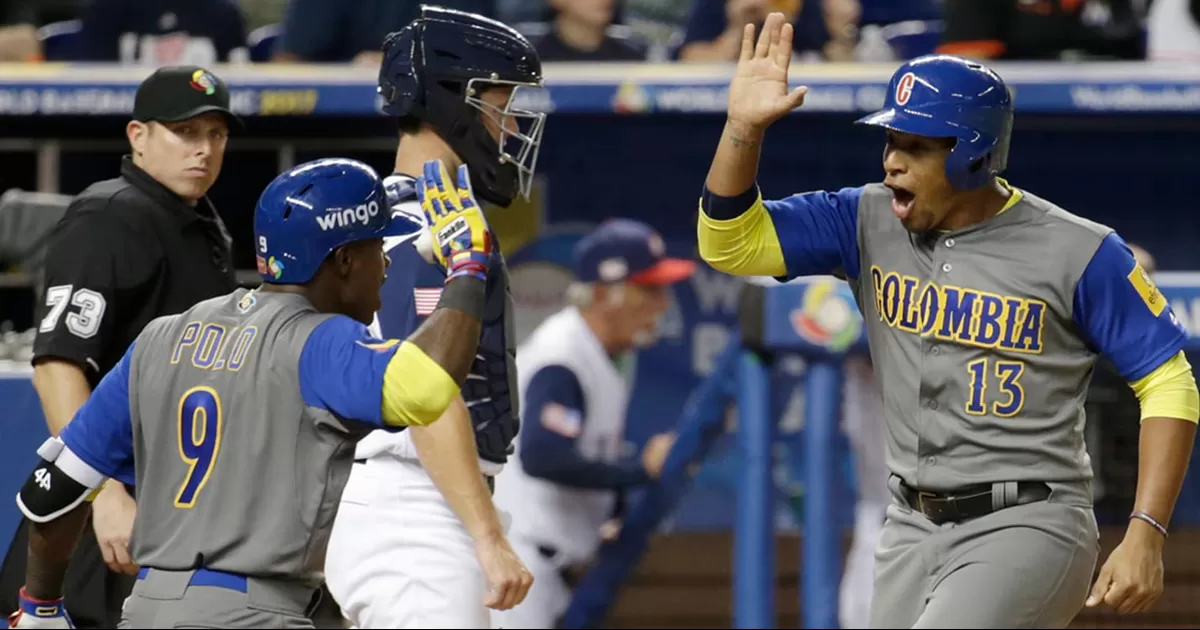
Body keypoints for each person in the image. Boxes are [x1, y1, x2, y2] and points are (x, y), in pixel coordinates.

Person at [695, 17, 1198, 627]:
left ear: (974, 155)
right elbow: (730, 243)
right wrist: (742, 129)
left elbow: (1170, 380)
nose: (892, 164)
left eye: (916, 147)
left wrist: (1146, 529)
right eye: (890, 142)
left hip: (1028, 522)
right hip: (908, 526)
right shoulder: (865, 218)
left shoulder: (1079, 250)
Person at [4, 156, 497, 629]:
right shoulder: (320, 341)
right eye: (376, 249)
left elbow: (54, 487)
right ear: (344, 260)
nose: (386, 266)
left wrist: (40, 605)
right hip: (251, 612)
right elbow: (427, 387)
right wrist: (468, 271)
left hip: (146, 609)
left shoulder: (163, 336)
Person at [322, 6, 546, 627]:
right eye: (501, 104)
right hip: (411, 502)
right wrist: (487, 533)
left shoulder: (398, 214)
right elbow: (421, 390)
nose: (511, 125)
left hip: (414, 496)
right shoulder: (424, 229)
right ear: (454, 101)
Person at [0, 64, 241, 630]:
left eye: (216, 135)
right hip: (102, 516)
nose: (203, 150)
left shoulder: (197, 221)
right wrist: (100, 494)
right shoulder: (108, 216)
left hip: (168, 508)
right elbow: (58, 365)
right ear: (139, 137)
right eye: (185, 132)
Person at [490, 218, 691, 629]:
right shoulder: (563, 354)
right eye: (649, 289)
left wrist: (611, 510)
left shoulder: (597, 352)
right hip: (524, 569)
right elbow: (542, 455)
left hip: (543, 570)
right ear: (605, 295)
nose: (663, 303)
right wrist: (640, 470)